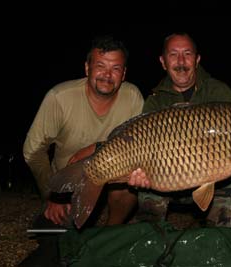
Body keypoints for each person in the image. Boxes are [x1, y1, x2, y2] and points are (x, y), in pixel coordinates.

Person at [23, 35, 144, 228]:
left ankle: (110, 233)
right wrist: (54, 194)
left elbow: (141, 145)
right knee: (54, 236)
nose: (107, 75)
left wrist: (95, 148)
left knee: (128, 190)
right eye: (100, 66)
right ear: (87, 68)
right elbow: (33, 151)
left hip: (114, 175)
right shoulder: (59, 98)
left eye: (115, 68)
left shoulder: (133, 97)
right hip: (69, 180)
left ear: (124, 73)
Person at [132, 32, 231, 228]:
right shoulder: (155, 100)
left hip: (216, 180)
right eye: (173, 55)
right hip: (166, 179)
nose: (181, 61)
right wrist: (139, 176)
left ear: (197, 59)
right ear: (163, 61)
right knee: (146, 209)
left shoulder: (219, 92)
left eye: (187, 54)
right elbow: (141, 149)